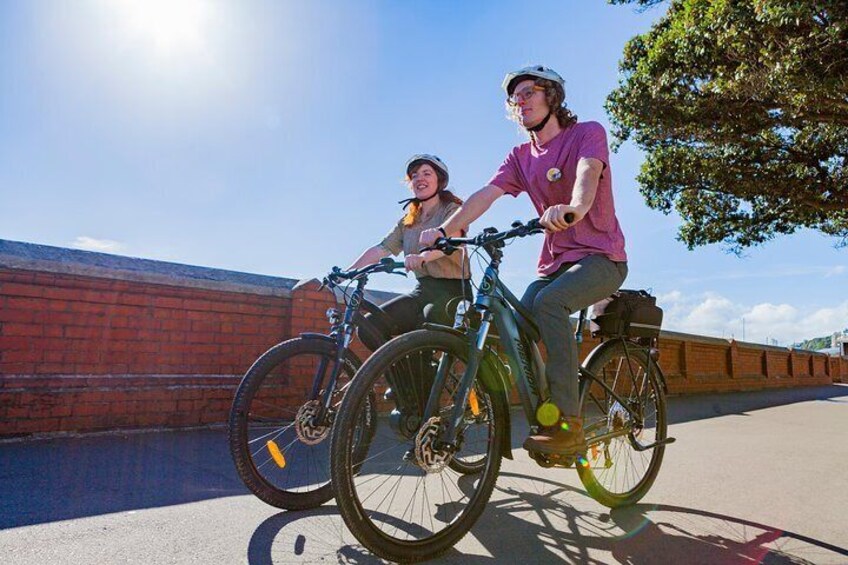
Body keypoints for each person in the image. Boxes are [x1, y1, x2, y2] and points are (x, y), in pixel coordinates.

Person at [420, 66, 628, 455]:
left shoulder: (586, 133)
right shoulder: (520, 156)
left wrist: (575, 207)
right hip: (555, 265)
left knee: (550, 303)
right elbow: (487, 193)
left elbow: (588, 172)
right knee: (515, 325)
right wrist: (446, 231)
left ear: (552, 95)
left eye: (530, 92)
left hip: (603, 258)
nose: (521, 101)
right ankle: (544, 406)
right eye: (515, 97)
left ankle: (568, 423)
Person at [348, 154, 471, 351]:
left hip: (453, 291)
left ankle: (424, 380)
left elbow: (451, 239)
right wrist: (348, 272)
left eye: (426, 173)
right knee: (370, 327)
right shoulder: (408, 221)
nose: (419, 178)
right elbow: (382, 248)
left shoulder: (452, 209)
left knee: (420, 335)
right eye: (414, 175)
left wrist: (423, 257)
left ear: (439, 180)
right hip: (423, 289)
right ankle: (403, 379)